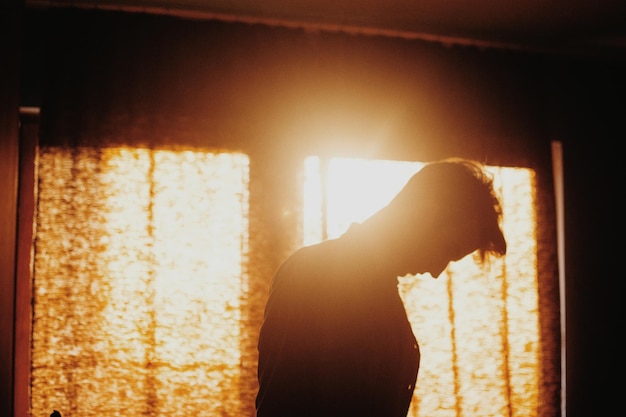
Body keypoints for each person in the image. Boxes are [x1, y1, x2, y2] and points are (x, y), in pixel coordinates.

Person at [255, 157, 507, 417]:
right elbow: (280, 405)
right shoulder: (312, 272)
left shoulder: (386, 297)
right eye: (448, 250)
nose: (436, 271)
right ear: (422, 215)